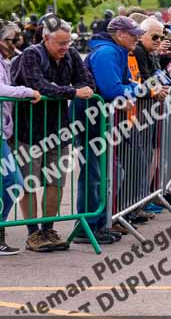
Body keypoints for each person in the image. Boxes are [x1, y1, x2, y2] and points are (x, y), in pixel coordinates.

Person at [11, 16, 96, 251]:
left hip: (59, 129)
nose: (65, 48)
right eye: (60, 43)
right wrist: (72, 91)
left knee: (56, 182)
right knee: (28, 183)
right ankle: (33, 232)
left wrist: (71, 90)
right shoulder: (31, 55)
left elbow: (88, 82)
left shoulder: (70, 55)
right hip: (27, 129)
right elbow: (37, 85)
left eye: (68, 42)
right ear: (46, 39)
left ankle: (48, 229)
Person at [73, 16, 144, 245]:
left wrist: (130, 89)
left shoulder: (115, 51)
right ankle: (88, 227)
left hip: (100, 121)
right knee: (94, 175)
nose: (137, 38)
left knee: (107, 173)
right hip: (91, 121)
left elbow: (126, 85)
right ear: (120, 34)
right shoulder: (107, 53)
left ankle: (97, 224)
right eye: (133, 34)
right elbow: (112, 89)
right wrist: (132, 89)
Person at [0, 21, 41, 255]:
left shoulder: (6, 61)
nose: (15, 44)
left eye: (17, 40)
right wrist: (28, 91)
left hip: (3, 132)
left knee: (9, 184)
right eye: (10, 40)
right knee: (13, 183)